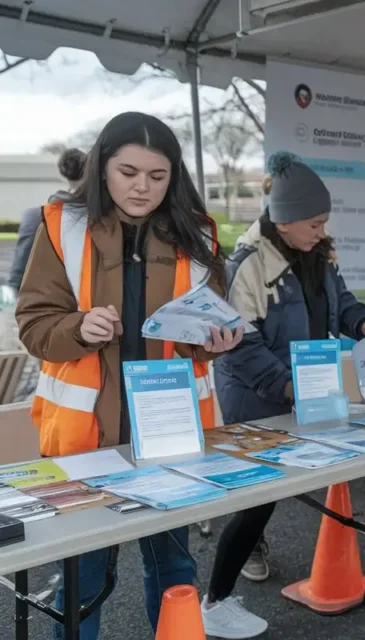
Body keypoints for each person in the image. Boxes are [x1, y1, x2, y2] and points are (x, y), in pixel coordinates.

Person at [15, 112, 243, 639]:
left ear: (174, 176)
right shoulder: (61, 226)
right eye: (128, 172)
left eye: (157, 176)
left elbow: (204, 329)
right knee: (83, 578)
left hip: (173, 436)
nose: (142, 187)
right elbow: (34, 326)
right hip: (85, 441)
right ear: (102, 170)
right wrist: (79, 326)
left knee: (175, 573)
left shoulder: (199, 233)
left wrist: (214, 342)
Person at [201, 154, 365, 638]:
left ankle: (234, 571)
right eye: (314, 222)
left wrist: (362, 323)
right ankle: (214, 600)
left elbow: (340, 302)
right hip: (257, 398)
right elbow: (240, 346)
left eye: (325, 222)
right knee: (258, 498)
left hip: (304, 391)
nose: (321, 231)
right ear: (283, 219)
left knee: (274, 492)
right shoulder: (247, 266)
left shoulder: (318, 254)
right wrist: (285, 386)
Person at [8, 148, 87, 292]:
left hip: (50, 293)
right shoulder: (104, 213)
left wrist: (14, 287)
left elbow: (21, 263)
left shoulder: (35, 216)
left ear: (63, 174)